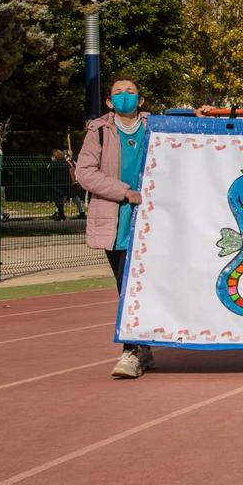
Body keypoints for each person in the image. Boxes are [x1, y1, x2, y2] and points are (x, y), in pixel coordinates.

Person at [76, 77, 157, 380]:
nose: (125, 97)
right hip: (117, 220)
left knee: (149, 285)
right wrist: (123, 191)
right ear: (109, 102)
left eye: (131, 92)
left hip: (153, 220)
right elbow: (85, 172)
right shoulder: (98, 132)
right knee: (127, 287)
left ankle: (143, 346)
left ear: (141, 98)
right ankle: (133, 349)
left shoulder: (157, 126)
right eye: (118, 93)